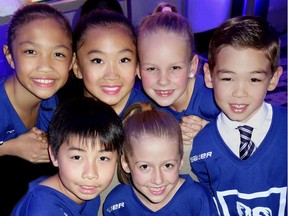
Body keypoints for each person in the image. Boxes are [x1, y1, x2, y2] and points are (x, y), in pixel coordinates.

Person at [190, 16, 287, 215]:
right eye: (227, 78)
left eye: (253, 79)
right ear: (209, 76)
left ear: (273, 78)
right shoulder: (202, 144)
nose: (239, 92)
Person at [0, 3, 75, 215]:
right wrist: (9, 147)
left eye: (58, 54)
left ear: (72, 62)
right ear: (9, 56)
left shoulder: (51, 102)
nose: (45, 66)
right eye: (31, 51)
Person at [11, 97, 124, 216]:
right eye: (77, 157)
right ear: (54, 155)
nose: (90, 174)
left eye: (103, 158)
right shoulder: (43, 209)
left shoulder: (86, 193)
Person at [103, 102, 217, 215]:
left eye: (168, 165)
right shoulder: (116, 204)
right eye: (144, 167)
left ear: (180, 161)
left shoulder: (197, 198)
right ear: (126, 164)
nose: (158, 180)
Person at [137, 11, 220, 144]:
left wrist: (211, 131)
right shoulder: (141, 102)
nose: (163, 81)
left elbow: (254, 128)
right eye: (152, 69)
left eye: (175, 68)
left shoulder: (214, 99)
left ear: (192, 67)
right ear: (138, 70)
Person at [69, 9, 153, 119]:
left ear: (137, 65)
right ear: (77, 67)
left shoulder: (153, 118)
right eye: (98, 61)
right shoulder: (64, 115)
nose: (112, 75)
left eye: (123, 60)